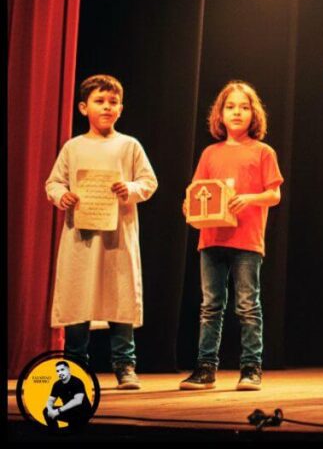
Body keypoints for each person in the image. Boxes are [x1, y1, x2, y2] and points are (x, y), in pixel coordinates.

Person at [45, 74, 158, 390]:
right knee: (78, 298)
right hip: (81, 239)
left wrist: (129, 188)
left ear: (120, 108)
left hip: (116, 238)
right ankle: (76, 367)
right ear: (84, 107)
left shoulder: (129, 145)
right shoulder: (73, 147)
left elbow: (148, 182)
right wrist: (63, 196)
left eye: (112, 102)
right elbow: (54, 182)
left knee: (119, 298)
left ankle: (124, 366)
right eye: (99, 101)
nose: (107, 107)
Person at [180, 81, 283, 392]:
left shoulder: (263, 152)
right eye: (230, 107)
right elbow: (196, 191)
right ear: (220, 114)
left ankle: (251, 368)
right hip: (211, 238)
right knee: (211, 306)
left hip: (246, 240)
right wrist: (188, 206)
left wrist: (249, 199)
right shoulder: (210, 153)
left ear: (254, 114)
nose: (237, 112)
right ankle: (205, 368)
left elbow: (274, 194)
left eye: (244, 107)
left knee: (247, 305)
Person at [44, 361, 92, 430]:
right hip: (69, 411)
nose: (60, 373)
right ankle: (55, 432)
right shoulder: (57, 384)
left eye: (62, 370)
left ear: (68, 370)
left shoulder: (77, 382)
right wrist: (50, 410)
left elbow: (78, 401)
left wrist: (58, 411)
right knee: (46, 411)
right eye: (58, 371)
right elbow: (50, 400)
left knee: (74, 430)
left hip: (82, 412)